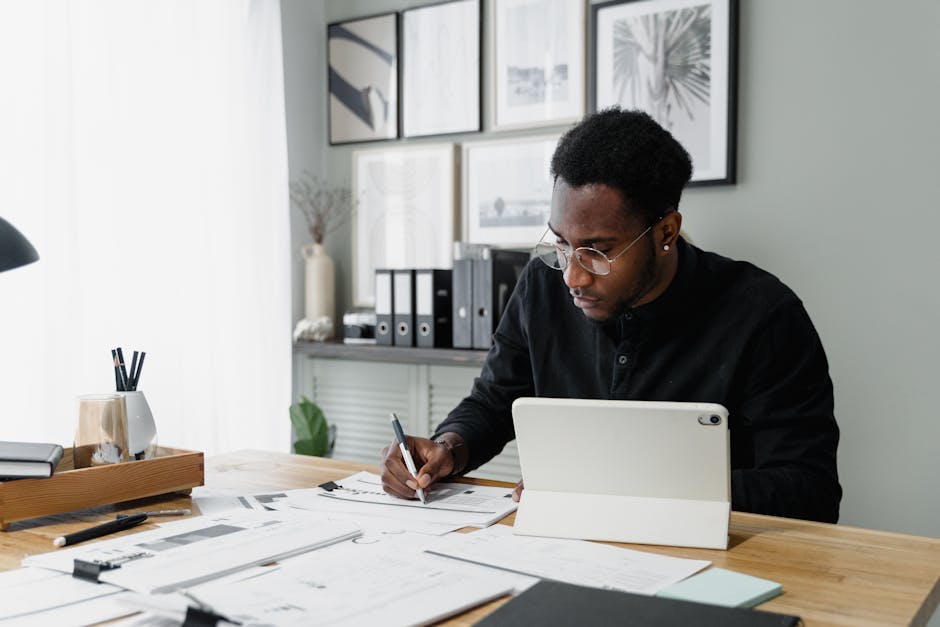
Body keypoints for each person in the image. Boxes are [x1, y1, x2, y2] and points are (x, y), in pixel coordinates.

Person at [381, 108, 841, 523]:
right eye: (561, 244)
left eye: (597, 252)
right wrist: (448, 448)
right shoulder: (541, 285)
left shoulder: (764, 315)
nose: (572, 278)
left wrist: (621, 490)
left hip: (719, 558)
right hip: (569, 549)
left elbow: (810, 491)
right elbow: (493, 402)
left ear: (666, 231)